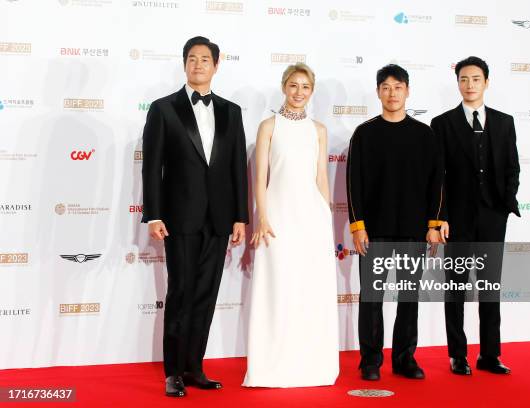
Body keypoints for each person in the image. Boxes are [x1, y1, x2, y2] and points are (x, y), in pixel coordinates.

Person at [141, 36, 249, 397]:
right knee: (181, 292)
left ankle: (194, 368)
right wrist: (154, 214)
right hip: (179, 216)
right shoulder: (163, 109)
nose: (198, 64)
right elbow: (152, 166)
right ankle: (173, 371)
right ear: (184, 64)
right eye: (192, 58)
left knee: (206, 293)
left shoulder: (232, 111)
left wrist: (239, 217)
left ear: (216, 65)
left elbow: (237, 167)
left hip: (218, 220)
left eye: (205, 59)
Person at [347, 64, 447, 381]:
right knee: (372, 297)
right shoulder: (364, 133)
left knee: (408, 297)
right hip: (374, 232)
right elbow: (353, 183)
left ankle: (405, 358)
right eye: (386, 87)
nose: (392, 93)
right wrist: (357, 225)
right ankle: (371, 360)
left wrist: (433, 225)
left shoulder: (424, 135)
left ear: (407, 90)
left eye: (398, 86)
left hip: (413, 231)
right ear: (378, 92)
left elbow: (438, 184)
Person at [243, 63, 339, 387]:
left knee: (309, 290)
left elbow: (321, 177)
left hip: (311, 218)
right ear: (284, 87)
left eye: (306, 87)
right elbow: (260, 178)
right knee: (278, 287)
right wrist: (263, 216)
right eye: (294, 85)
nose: (299, 92)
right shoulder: (269, 126)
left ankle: (311, 363)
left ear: (312, 91)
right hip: (278, 218)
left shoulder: (319, 130)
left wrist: (326, 217)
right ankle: (273, 364)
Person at [431, 56, 520, 376]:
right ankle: (458, 355)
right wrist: (440, 217)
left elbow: (513, 167)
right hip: (457, 219)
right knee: (455, 288)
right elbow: (437, 175)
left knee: (489, 288)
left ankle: (490, 355)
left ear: (486, 82)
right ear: (458, 83)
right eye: (464, 80)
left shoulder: (504, 121)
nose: (469, 85)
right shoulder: (442, 124)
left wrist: (506, 204)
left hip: (493, 218)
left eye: (475, 79)